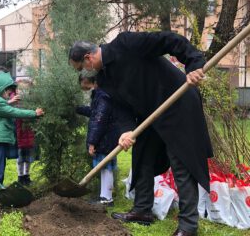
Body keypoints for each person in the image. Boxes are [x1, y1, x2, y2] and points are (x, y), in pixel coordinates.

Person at [68, 32, 213, 236]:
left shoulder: (125, 43)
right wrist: (127, 129)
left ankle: (188, 226)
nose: (85, 73)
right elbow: (120, 107)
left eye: (82, 68)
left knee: (182, 162)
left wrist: (194, 63)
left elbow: (169, 40)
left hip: (177, 103)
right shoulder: (105, 77)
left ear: (88, 58)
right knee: (142, 157)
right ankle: (142, 211)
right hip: (150, 115)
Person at [0, 69, 44, 204]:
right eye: (7, 92)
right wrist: (34, 113)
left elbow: (5, 105)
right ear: (0, 89)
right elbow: (13, 112)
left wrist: (9, 101)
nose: (9, 94)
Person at [76, 75, 120, 207]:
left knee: (105, 166)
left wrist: (92, 142)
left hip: (105, 137)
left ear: (90, 82)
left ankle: (107, 199)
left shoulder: (102, 96)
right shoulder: (101, 94)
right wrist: (78, 109)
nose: (82, 87)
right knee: (105, 167)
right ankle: (104, 196)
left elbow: (98, 120)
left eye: (83, 83)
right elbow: (95, 113)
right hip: (107, 136)